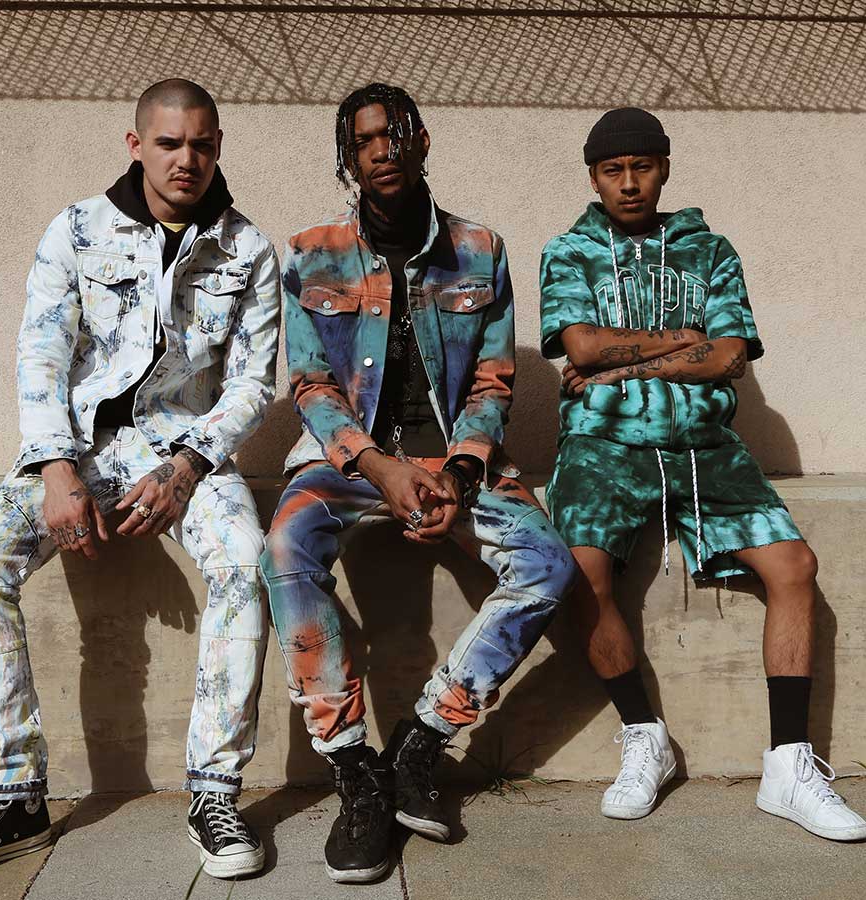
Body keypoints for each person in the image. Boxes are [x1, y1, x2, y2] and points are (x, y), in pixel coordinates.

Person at [0, 79, 281, 886]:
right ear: (136, 145)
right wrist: (55, 466)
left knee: (247, 560)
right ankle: (13, 798)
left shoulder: (246, 249)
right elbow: (40, 353)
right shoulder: (76, 230)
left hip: (184, 451)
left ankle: (214, 793)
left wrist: (186, 467)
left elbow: (252, 384)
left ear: (218, 147)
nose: (186, 160)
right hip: (76, 451)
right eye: (169, 143)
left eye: (202, 144)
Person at [260, 83, 577, 884]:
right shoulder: (309, 253)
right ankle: (354, 770)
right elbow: (310, 385)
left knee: (547, 563)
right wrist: (378, 465)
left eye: (394, 134)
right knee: (285, 546)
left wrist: (461, 473)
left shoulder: (482, 250)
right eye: (364, 141)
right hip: (349, 462)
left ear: (422, 139)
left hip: (456, 463)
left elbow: (495, 382)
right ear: (348, 157)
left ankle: (422, 740)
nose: (382, 151)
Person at [539, 107, 866, 841]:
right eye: (613, 170)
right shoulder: (568, 252)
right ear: (594, 178)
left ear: (664, 168)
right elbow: (582, 347)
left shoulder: (710, 251)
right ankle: (644, 737)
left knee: (794, 564)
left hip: (703, 442)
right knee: (580, 572)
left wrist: (630, 361)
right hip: (603, 443)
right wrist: (678, 342)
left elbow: (728, 355)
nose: (629, 183)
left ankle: (789, 767)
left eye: (642, 167)